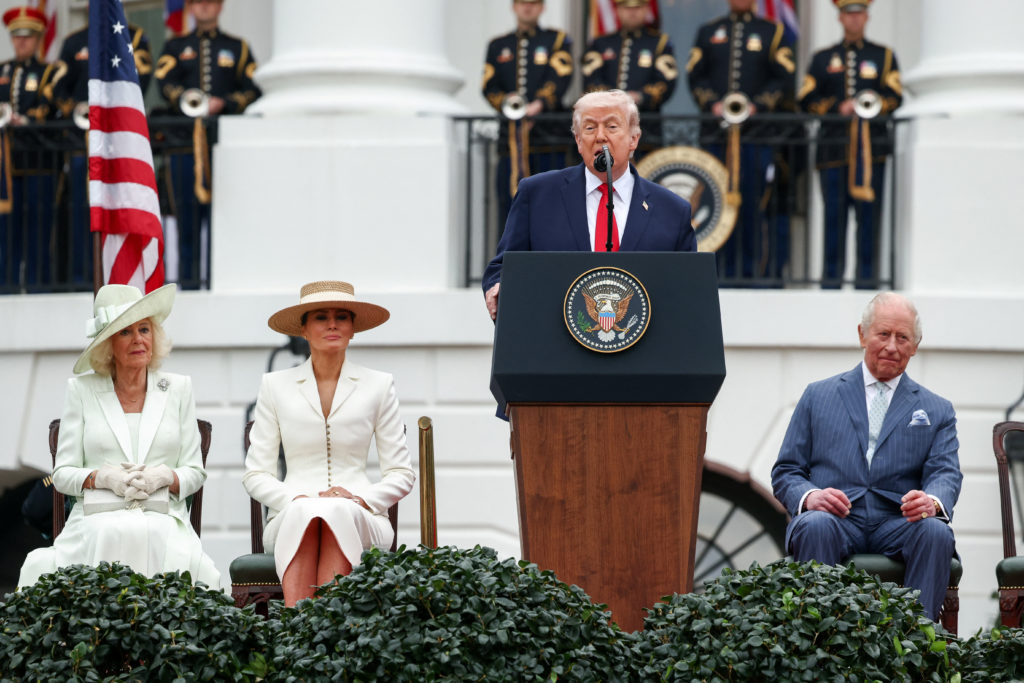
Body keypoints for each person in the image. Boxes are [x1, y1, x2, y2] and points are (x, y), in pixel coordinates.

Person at [771, 292, 961, 621]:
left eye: (902, 337)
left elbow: (946, 473)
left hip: (899, 522)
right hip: (835, 520)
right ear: (862, 334)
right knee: (813, 524)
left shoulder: (937, 409)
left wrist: (931, 501)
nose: (892, 346)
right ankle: (820, 645)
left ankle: (918, 647)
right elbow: (787, 471)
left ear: (915, 345)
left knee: (936, 531)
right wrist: (811, 496)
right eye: (883, 334)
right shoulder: (818, 396)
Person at [18, 283, 220, 588]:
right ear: (108, 345)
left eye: (144, 329)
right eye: (125, 332)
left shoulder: (179, 389)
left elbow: (194, 472)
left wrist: (163, 476)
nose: (138, 339)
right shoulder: (81, 390)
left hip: (163, 518)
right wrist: (101, 477)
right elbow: (62, 475)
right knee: (108, 533)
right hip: (96, 518)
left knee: (149, 534)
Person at [243, 281, 415, 606]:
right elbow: (256, 475)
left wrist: (361, 500)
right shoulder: (274, 386)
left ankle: (308, 641)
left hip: (363, 514)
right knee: (310, 510)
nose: (333, 324)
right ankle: (311, 640)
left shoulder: (379, 385)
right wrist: (296, 498)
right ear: (304, 329)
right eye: (321, 317)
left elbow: (401, 474)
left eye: (342, 317)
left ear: (353, 329)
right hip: (290, 513)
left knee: (336, 509)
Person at [482, 89, 696, 321]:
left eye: (612, 127)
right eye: (590, 128)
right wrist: (498, 286)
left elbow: (689, 289)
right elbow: (503, 267)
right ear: (578, 140)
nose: (601, 136)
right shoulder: (536, 195)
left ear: (634, 139)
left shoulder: (673, 211)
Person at [686, 0, 795, 284]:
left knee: (752, 207)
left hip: (755, 138)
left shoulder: (773, 32)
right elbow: (695, 75)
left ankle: (748, 275)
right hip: (716, 138)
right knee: (714, 207)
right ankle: (714, 275)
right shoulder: (709, 31)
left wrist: (757, 106)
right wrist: (711, 104)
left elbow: (783, 78)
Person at [155, 0, 261, 289]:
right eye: (197, 2)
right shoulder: (176, 47)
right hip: (184, 147)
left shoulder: (237, 47)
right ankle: (188, 287)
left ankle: (219, 284)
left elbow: (252, 88)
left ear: (220, 7)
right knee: (186, 221)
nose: (204, 7)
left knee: (222, 221)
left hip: (222, 147)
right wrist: (185, 99)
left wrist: (224, 103)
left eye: (210, 2)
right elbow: (163, 81)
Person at [799, 0, 902, 289]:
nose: (854, 20)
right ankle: (831, 283)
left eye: (858, 14)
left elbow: (895, 96)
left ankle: (866, 285)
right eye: (848, 14)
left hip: (872, 156)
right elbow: (806, 99)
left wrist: (873, 105)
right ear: (840, 18)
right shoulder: (822, 59)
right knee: (834, 220)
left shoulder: (884, 56)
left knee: (869, 223)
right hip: (833, 153)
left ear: (866, 17)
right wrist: (837, 108)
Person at [49, 23, 154, 287]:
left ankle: (118, 280)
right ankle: (79, 278)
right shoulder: (74, 41)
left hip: (117, 145)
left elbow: (142, 77)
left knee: (119, 215)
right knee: (79, 214)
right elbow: (56, 86)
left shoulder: (134, 36)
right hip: (79, 145)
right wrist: (76, 108)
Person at [482, 0, 574, 228]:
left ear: (542, 7)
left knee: (552, 205)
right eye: (522, 3)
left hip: (547, 141)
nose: (527, 8)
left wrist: (539, 105)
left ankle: (551, 262)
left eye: (533, 3)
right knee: (509, 203)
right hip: (510, 144)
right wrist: (508, 104)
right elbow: (489, 86)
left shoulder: (557, 41)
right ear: (514, 7)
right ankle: (510, 262)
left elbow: (560, 76)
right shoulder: (497, 45)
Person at [0, 7, 58, 290]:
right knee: (6, 231)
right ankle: (6, 285)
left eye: (28, 36)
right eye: (17, 37)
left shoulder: (48, 71)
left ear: (38, 39)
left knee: (38, 229)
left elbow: (51, 106)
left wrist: (25, 118)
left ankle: (38, 285)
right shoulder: (2, 70)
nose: (22, 42)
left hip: (38, 162)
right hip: (5, 166)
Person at [581, 0, 677, 153]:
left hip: (646, 129)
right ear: (617, 10)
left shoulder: (659, 43)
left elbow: (665, 82)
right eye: (626, 8)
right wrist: (611, 98)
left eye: (637, 8)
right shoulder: (600, 43)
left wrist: (639, 97)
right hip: (605, 128)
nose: (632, 12)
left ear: (646, 9)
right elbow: (591, 79)